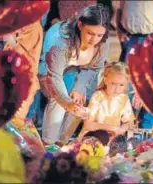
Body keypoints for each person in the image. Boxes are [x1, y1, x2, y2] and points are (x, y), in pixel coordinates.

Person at [39, 4, 111, 145]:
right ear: (80, 25)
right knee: (58, 101)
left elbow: (94, 67)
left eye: (99, 35)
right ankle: (48, 143)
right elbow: (54, 77)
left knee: (78, 101)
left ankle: (62, 142)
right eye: (90, 33)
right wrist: (66, 102)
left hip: (75, 65)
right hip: (50, 64)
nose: (94, 39)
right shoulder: (59, 42)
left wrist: (79, 87)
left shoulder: (103, 42)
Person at [115, 0, 153, 130]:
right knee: (124, 85)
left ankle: (145, 130)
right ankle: (122, 130)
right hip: (130, 38)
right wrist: (119, 29)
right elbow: (120, 6)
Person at [78, 62, 136, 139]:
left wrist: (123, 128)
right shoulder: (98, 96)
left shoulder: (124, 98)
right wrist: (112, 128)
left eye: (121, 85)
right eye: (113, 84)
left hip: (112, 140)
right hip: (92, 138)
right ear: (105, 80)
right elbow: (88, 125)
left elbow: (129, 122)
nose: (117, 89)